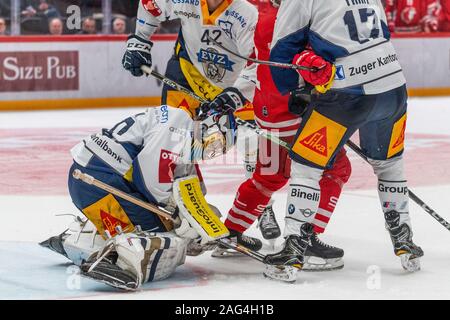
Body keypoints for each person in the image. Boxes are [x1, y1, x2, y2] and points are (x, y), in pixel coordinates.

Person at [260, 0, 423, 273]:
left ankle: (293, 249)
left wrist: (294, 89)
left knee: (306, 166)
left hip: (346, 93)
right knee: (390, 165)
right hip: (393, 85)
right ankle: (404, 240)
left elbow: (282, 52)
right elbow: (382, 32)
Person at [213, 0, 351, 270]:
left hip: (268, 110)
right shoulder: (296, 15)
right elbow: (316, 66)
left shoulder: (259, 12)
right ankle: (306, 239)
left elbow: (257, 64)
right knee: (336, 169)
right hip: (296, 111)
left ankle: (230, 233)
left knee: (268, 177)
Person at [41, 105, 237, 290]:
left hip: (91, 180)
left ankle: (79, 240)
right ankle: (122, 264)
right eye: (217, 142)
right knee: (166, 239)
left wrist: (204, 225)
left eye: (221, 150)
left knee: (169, 231)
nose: (214, 151)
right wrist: (184, 221)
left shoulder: (183, 130)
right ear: (210, 124)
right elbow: (149, 179)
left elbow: (188, 191)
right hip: (99, 179)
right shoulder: (178, 125)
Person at [122, 0, 260, 250]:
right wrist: (140, 39)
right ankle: (186, 217)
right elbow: (150, 4)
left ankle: (265, 209)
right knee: (174, 147)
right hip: (187, 75)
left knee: (256, 146)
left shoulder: (248, 13)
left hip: (233, 85)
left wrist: (237, 94)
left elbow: (258, 66)